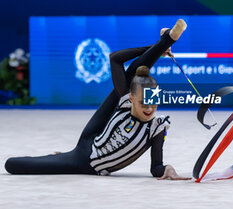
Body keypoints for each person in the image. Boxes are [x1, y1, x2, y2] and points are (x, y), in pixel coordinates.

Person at [5, 19, 190, 180]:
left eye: (153, 102)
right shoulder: (125, 101)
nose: (150, 108)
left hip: (89, 161)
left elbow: (156, 168)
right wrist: (154, 47)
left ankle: (166, 41)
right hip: (84, 154)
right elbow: (115, 59)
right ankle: (166, 40)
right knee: (12, 165)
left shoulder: (157, 128)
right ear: (133, 99)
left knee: (133, 73)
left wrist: (168, 170)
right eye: (144, 103)